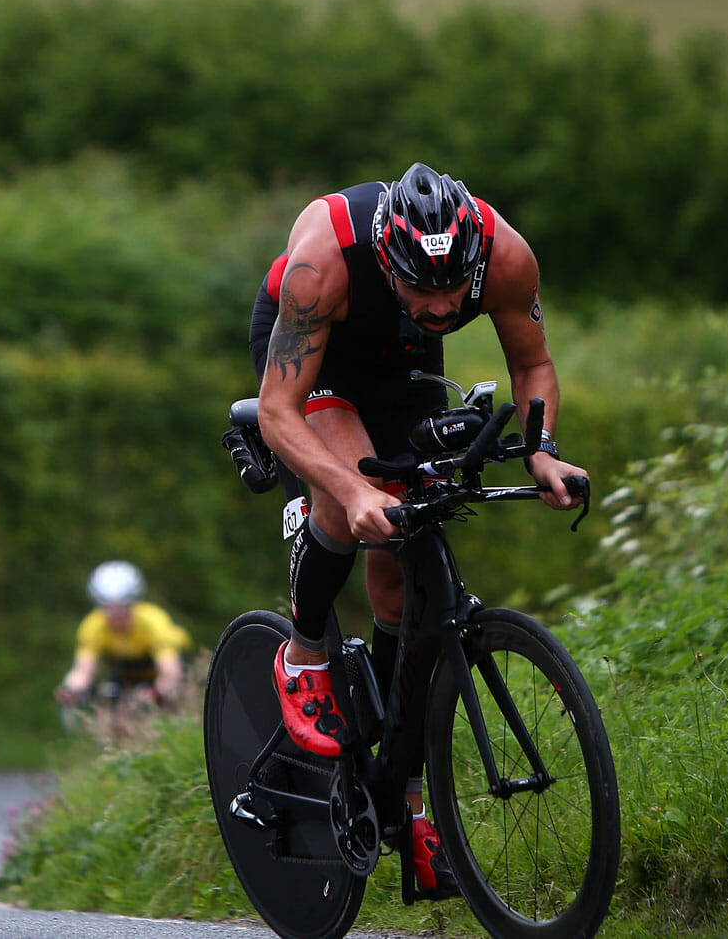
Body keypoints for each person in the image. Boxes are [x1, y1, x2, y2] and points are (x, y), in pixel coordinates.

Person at [248, 161, 589, 898]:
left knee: (404, 567)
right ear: (386, 261)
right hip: (313, 361)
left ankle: (403, 801)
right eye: (419, 290)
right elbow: (277, 411)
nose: (439, 307)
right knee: (350, 502)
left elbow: (533, 365)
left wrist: (542, 452)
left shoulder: (505, 255)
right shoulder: (324, 259)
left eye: (452, 291)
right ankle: (303, 654)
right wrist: (349, 487)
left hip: (400, 360)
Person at [55, 560, 191, 710]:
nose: (115, 614)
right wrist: (70, 690)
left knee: (170, 701)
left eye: (122, 606)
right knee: (112, 707)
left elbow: (171, 673)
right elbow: (82, 672)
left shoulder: (153, 622)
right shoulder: (93, 626)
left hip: (162, 670)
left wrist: (154, 693)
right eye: (107, 607)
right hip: (124, 673)